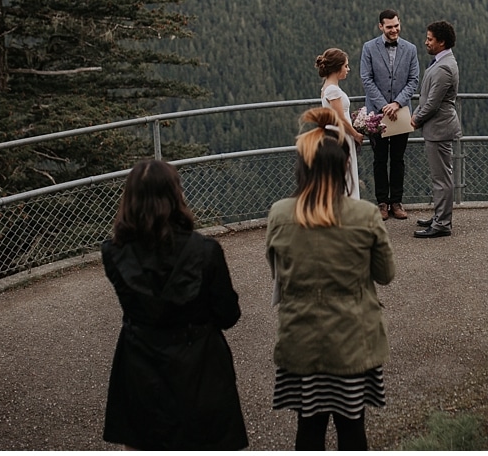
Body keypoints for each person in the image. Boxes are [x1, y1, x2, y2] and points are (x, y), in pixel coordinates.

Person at [268, 106, 395, 449]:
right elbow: (385, 275)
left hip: (300, 340)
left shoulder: (279, 215)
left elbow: (278, 273)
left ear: (303, 166)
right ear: (344, 167)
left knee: (308, 428)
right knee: (353, 429)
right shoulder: (365, 215)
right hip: (352, 340)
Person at [101, 159, 249, 450]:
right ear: (175, 195)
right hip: (201, 366)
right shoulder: (206, 251)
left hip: (139, 362)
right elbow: (228, 315)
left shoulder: (113, 253)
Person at [359, 10, 422, 221]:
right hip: (376, 115)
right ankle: (381, 204)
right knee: (379, 159)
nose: (394, 30)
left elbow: (414, 80)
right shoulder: (369, 48)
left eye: (396, 25)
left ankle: (397, 202)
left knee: (398, 159)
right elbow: (366, 80)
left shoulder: (411, 49)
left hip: (401, 114)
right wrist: (384, 106)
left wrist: (397, 103)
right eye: (389, 27)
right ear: (381, 27)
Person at [411, 21, 461, 239]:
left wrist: (415, 120)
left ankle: (442, 224)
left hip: (439, 129)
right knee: (440, 176)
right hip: (437, 128)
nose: (426, 42)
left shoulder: (443, 67)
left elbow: (432, 103)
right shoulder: (444, 62)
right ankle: (440, 216)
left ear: (441, 42)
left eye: (430, 39)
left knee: (441, 178)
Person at [317, 48, 366, 201]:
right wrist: (356, 134)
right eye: (346, 66)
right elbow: (340, 118)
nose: (348, 69)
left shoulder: (327, 87)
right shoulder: (332, 90)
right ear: (338, 67)